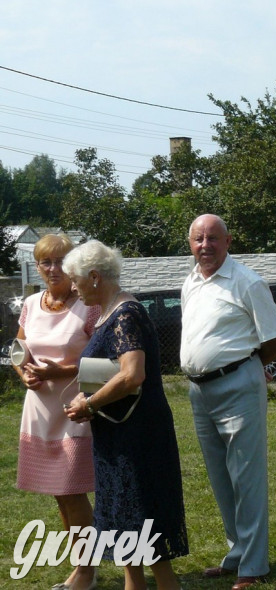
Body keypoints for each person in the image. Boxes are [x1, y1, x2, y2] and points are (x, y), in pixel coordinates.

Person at [63, 240, 188, 589]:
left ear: (94, 277)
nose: (73, 287)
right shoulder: (110, 312)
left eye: (75, 279)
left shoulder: (125, 314)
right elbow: (108, 371)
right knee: (127, 532)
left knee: (141, 526)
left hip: (137, 437)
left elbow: (132, 374)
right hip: (117, 435)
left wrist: (89, 404)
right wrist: (89, 398)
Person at [180, 214, 276, 590]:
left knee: (247, 477)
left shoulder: (247, 282)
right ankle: (237, 554)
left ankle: (254, 566)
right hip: (199, 390)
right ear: (190, 243)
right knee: (221, 477)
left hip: (238, 385)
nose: (204, 245)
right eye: (198, 239)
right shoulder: (191, 281)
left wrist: (246, 366)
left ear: (228, 242)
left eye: (212, 238)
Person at [13, 234, 100, 590]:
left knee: (72, 489)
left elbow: (102, 361)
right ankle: (82, 566)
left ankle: (86, 572)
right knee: (59, 493)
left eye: (60, 261)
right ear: (36, 267)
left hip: (75, 410)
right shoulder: (32, 303)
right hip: (38, 410)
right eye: (44, 262)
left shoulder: (88, 305)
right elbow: (19, 348)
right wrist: (25, 373)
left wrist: (55, 372)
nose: (52, 269)